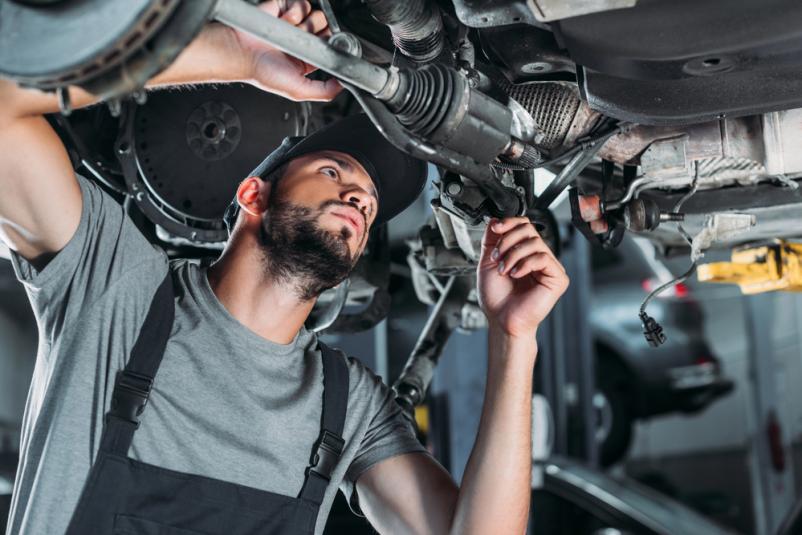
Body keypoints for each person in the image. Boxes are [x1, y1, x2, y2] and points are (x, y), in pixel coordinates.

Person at [0, 1, 569, 533]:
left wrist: (514, 340)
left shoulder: (344, 405)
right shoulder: (114, 287)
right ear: (252, 195)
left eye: (369, 204)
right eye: (334, 172)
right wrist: (235, 54)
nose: (359, 199)